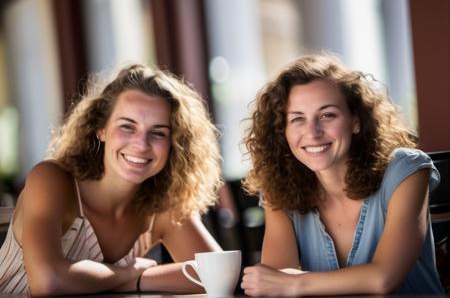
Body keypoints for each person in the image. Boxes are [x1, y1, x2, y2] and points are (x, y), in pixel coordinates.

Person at [0, 64, 223, 295]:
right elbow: (48, 281)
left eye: (158, 132)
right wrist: (127, 273)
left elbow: (218, 273)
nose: (141, 144)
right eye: (127, 126)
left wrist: (137, 280)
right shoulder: (52, 180)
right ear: (101, 129)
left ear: (174, 143)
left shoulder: (162, 205)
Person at [240, 53, 444, 296]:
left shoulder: (406, 170)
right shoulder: (280, 188)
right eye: (297, 119)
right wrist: (282, 284)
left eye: (327, 115)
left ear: (356, 120)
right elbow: (274, 284)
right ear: (282, 131)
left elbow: (384, 279)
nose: (313, 133)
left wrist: (294, 284)